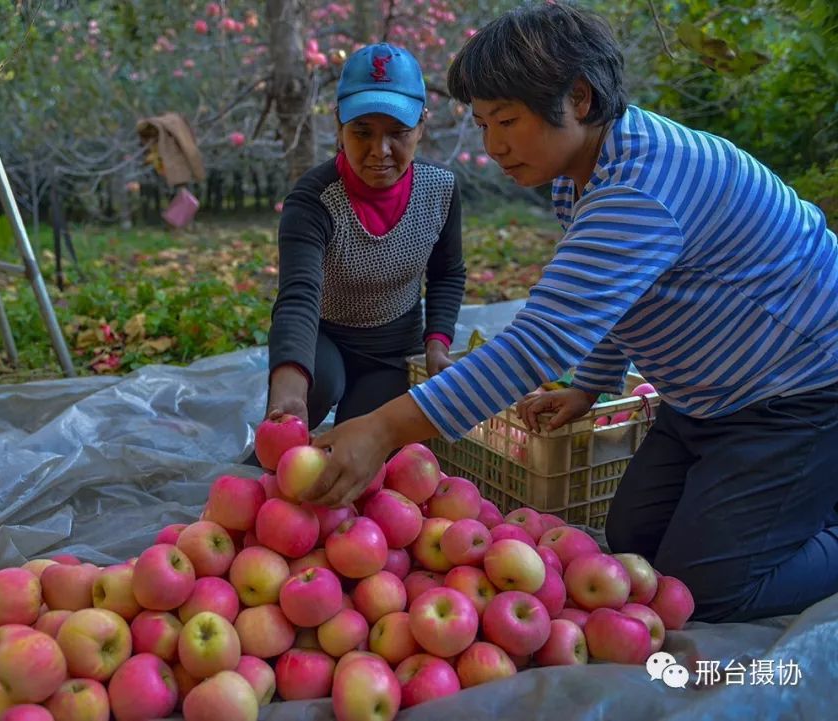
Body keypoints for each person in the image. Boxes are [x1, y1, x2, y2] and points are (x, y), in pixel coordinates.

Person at [301, 2, 838, 624]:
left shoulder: (639, 186)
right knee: (636, 546)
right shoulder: (577, 176)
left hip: (797, 392)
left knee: (707, 590)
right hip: (704, 398)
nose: (494, 145)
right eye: (481, 123)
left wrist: (385, 428)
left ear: (578, 98)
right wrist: (593, 382)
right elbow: (616, 295)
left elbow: (542, 340)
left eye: (507, 120)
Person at [260, 42, 466, 446]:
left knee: (364, 446)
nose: (380, 151)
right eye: (362, 132)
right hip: (325, 336)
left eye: (398, 133)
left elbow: (447, 273)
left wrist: (437, 343)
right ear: (338, 126)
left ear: (422, 125)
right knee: (314, 392)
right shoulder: (314, 200)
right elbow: (299, 296)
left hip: (394, 347)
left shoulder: (440, 190)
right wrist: (287, 391)